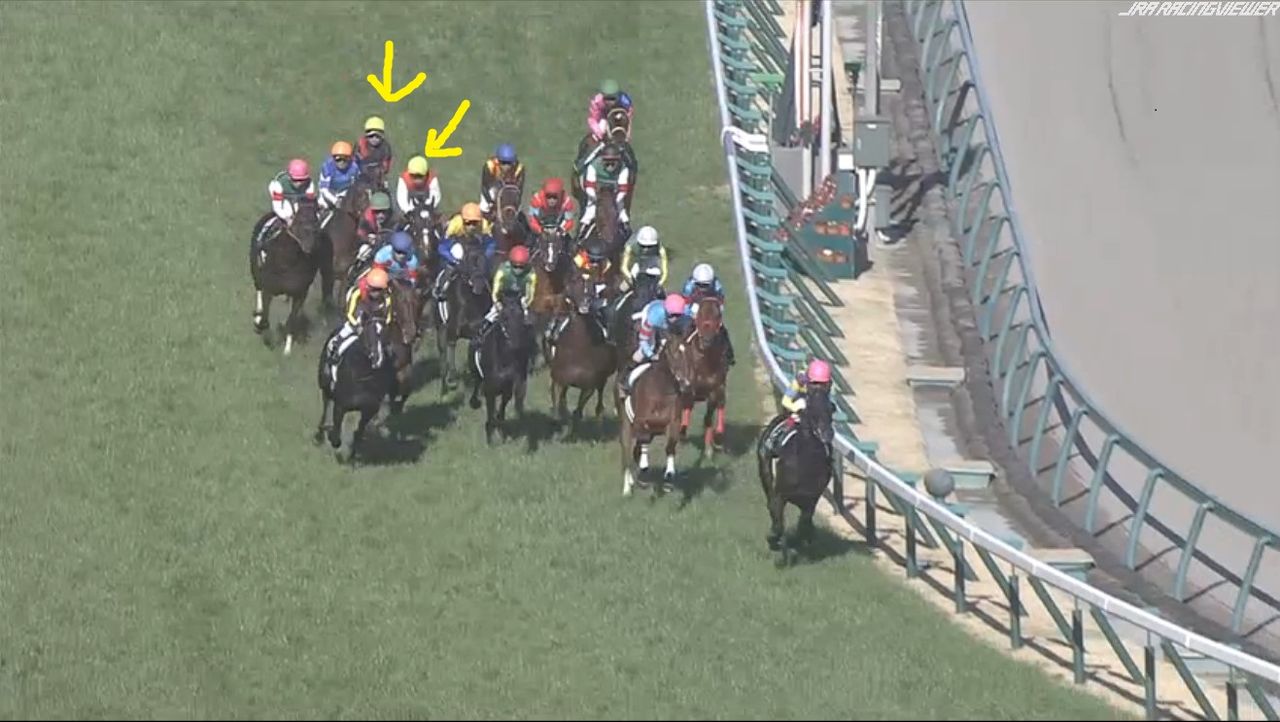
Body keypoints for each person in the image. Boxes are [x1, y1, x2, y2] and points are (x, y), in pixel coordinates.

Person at [322, 267, 393, 385]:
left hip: (377, 324)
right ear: (368, 286)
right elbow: (349, 313)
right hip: (356, 323)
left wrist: (383, 326)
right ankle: (331, 364)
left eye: (379, 290)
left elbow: (389, 316)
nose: (376, 293)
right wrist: (357, 326)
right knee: (337, 341)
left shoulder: (387, 298)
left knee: (390, 349)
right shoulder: (357, 293)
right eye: (373, 289)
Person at [760, 359, 833, 457]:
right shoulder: (798, 383)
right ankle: (772, 441)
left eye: (823, 385)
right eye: (814, 384)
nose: (818, 388)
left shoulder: (827, 390)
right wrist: (796, 407)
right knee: (791, 422)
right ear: (808, 381)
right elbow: (785, 401)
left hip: (814, 415)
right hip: (796, 411)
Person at [619, 293, 687, 396]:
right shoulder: (654, 316)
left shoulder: (684, 314)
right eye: (672, 315)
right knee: (648, 347)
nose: (675, 319)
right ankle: (624, 380)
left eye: (678, 316)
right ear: (666, 312)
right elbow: (643, 339)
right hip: (650, 316)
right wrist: (651, 355)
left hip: (663, 322)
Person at [256, 158, 317, 261]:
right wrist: (288, 218)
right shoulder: (279, 184)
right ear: (289, 177)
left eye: (302, 180)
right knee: (285, 213)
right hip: (283, 200)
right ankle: (262, 237)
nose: (299, 183)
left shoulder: (309, 185)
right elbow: (277, 207)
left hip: (299, 201)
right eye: (295, 180)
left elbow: (309, 205)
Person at [434, 202, 497, 299]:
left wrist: (485, 256)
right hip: (457, 244)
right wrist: (453, 260)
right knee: (457, 252)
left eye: (475, 223)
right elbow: (442, 247)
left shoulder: (484, 225)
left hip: (476, 247)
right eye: (468, 223)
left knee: (487, 266)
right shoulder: (454, 225)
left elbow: (491, 244)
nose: (472, 227)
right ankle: (441, 287)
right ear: (462, 220)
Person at [478, 244, 536, 339]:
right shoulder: (503, 270)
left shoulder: (531, 273)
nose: (518, 270)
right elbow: (495, 290)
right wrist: (497, 303)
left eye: (521, 267)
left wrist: (526, 303)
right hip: (504, 296)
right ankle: (481, 335)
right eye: (515, 266)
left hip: (519, 298)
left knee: (528, 318)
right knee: (492, 314)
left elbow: (530, 292)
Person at [682, 262, 735, 365]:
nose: (703, 288)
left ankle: (729, 354)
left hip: (711, 305)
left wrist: (718, 313)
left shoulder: (717, 284)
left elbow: (721, 300)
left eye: (705, 285)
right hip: (695, 304)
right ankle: (682, 349)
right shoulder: (688, 286)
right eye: (700, 285)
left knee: (721, 329)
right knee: (687, 327)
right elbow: (686, 303)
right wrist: (691, 314)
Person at [579, 143, 632, 236]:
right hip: (596, 197)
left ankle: (627, 233)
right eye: (607, 161)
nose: (610, 164)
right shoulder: (593, 166)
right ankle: (580, 236)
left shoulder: (624, 169)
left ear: (618, 160)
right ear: (602, 159)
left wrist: (612, 201)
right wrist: (597, 199)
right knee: (589, 214)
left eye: (613, 161)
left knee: (622, 213)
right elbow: (589, 188)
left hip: (615, 198)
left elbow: (623, 191)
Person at [478, 143, 525, 218]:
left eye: (509, 163)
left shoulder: (519, 168)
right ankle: (485, 219)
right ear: (498, 161)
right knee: (485, 207)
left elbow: (519, 189)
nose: (506, 167)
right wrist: (491, 202)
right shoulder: (489, 166)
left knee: (517, 210)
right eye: (503, 163)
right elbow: (484, 187)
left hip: (510, 185)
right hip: (493, 184)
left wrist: (516, 202)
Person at [619, 225, 668, 292]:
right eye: (644, 246)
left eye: (650, 247)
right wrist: (630, 278)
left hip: (652, 262)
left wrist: (660, 283)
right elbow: (623, 267)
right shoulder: (630, 247)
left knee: (660, 291)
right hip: (636, 261)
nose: (646, 250)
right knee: (623, 288)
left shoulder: (661, 250)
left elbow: (664, 272)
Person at [318, 141, 361, 213]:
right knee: (319, 213)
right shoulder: (327, 167)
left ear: (349, 158)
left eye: (344, 159)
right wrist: (335, 201)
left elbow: (356, 185)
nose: (341, 162)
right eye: (338, 160)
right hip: (329, 194)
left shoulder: (354, 167)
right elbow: (324, 189)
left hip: (345, 193)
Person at [587, 79, 634, 143]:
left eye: (613, 99)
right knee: (601, 128)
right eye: (606, 99)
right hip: (604, 117)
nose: (609, 102)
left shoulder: (625, 101)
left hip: (619, 116)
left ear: (618, 96)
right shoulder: (597, 102)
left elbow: (628, 118)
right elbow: (593, 119)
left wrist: (628, 134)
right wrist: (599, 132)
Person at [356, 191, 396, 263]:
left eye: (384, 211)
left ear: (388, 210)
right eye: (377, 211)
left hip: (388, 245)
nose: (380, 215)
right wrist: (368, 239)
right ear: (372, 210)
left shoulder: (394, 218)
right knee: (363, 250)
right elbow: (360, 234)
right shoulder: (366, 218)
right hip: (372, 246)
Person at [354, 115, 393, 185]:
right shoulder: (360, 145)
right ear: (366, 136)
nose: (374, 139)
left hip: (378, 174)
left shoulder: (385, 148)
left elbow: (386, 166)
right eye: (371, 136)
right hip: (362, 173)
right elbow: (354, 162)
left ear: (382, 136)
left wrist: (379, 173)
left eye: (377, 136)